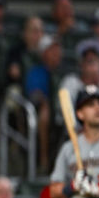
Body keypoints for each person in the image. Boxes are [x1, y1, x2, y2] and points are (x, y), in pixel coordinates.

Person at [25, 35, 63, 173]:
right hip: (46, 109)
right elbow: (34, 93)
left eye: (57, 50)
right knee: (45, 114)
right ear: (43, 53)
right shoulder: (36, 71)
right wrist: (45, 102)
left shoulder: (64, 72)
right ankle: (44, 159)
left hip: (65, 109)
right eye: (52, 50)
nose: (56, 54)